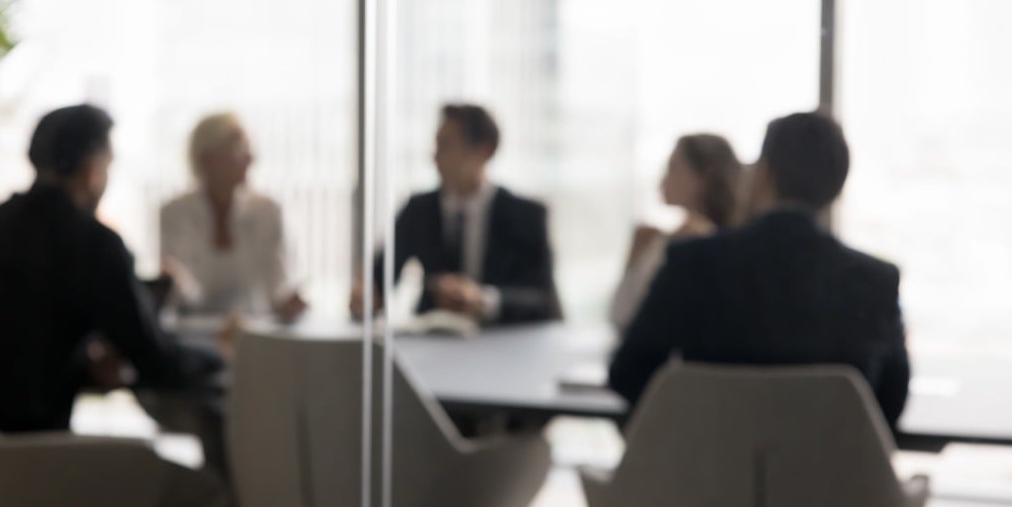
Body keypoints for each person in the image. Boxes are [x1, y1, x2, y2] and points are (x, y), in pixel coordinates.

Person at [0, 104, 226, 507]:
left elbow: (13, 344)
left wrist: (81, 367)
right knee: (202, 494)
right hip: (34, 462)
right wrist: (222, 352)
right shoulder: (93, 242)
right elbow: (158, 362)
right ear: (94, 169)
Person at [607, 111, 911, 429]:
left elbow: (627, 374)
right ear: (837, 187)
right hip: (828, 477)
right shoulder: (876, 282)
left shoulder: (693, 262)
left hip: (709, 474)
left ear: (763, 175)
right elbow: (889, 407)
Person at [351, 103, 561, 325]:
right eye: (436, 145)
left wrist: (483, 299)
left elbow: (544, 300)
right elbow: (380, 280)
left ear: (483, 151)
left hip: (505, 345)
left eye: (446, 145)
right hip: (433, 345)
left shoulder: (526, 216)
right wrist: (366, 296)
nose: (435, 157)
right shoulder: (419, 210)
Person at [160, 112, 306, 321]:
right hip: (193, 334)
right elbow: (183, 294)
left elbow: (277, 288)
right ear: (208, 158)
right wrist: (174, 283)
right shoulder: (174, 213)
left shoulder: (269, 211)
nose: (250, 158)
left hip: (256, 333)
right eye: (240, 149)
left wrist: (289, 302)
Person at [609, 133, 742, 329]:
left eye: (672, 169)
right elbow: (619, 316)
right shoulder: (658, 239)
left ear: (702, 178)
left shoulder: (701, 244)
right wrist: (634, 258)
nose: (662, 181)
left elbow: (627, 317)